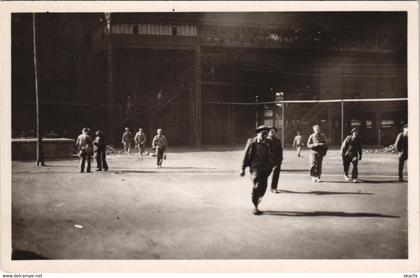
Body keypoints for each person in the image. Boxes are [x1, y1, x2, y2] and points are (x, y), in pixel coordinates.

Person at [240, 125, 272, 215]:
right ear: (258, 133)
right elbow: (245, 155)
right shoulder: (252, 142)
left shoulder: (268, 143)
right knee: (257, 186)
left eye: (266, 133)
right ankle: (255, 206)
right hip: (255, 168)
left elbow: (273, 154)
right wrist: (242, 169)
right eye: (263, 133)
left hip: (265, 168)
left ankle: (257, 202)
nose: (264, 135)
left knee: (263, 187)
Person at [267, 127, 283, 193]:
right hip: (267, 160)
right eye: (270, 132)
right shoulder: (265, 140)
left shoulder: (278, 141)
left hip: (276, 160)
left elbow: (280, 151)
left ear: (275, 133)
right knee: (265, 174)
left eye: (273, 132)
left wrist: (280, 159)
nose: (272, 133)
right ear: (268, 133)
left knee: (276, 173)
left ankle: (274, 188)